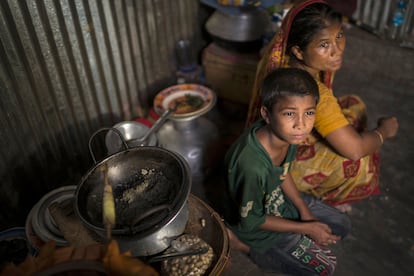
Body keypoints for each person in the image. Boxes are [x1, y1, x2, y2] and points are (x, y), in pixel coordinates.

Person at [246, 0, 399, 210]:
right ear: (299, 51)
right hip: (285, 162)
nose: (337, 50)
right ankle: (323, 196)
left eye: (339, 37)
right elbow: (355, 150)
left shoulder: (279, 54)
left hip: (281, 128)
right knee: (358, 162)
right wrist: (384, 131)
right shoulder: (313, 92)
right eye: (324, 45)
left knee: (353, 105)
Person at [223, 67, 351, 275]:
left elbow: (283, 173)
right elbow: (253, 220)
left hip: (279, 201)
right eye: (290, 113)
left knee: (342, 226)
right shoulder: (250, 165)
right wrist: (306, 228)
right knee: (324, 268)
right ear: (267, 113)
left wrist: (304, 211)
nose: (301, 125)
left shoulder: (286, 133)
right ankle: (240, 245)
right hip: (254, 226)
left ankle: (299, 230)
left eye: (309, 113)